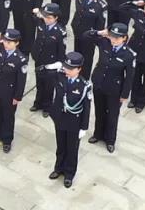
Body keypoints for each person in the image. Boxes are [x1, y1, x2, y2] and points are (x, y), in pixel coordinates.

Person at [83, 23, 135, 153]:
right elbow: (85, 36)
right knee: (99, 111)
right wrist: (100, 32)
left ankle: (110, 140)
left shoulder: (129, 55)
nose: (114, 40)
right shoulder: (104, 43)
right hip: (99, 83)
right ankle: (98, 134)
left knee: (112, 115)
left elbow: (129, 77)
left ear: (124, 38)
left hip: (114, 89)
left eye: (117, 38)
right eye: (112, 36)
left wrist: (124, 94)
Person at [48, 52, 92, 188]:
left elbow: (87, 108)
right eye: (66, 67)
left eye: (71, 68)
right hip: (60, 118)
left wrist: (84, 127)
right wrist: (49, 67)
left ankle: (69, 174)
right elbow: (40, 74)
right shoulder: (60, 76)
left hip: (74, 122)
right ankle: (58, 168)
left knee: (72, 149)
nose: (67, 70)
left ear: (79, 69)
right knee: (60, 146)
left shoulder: (84, 86)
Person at [0, 28, 27, 154]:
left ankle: (7, 140)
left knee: (8, 117)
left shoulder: (21, 60)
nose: (6, 44)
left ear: (17, 43)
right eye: (5, 41)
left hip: (9, 93)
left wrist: (17, 97)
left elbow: (21, 81)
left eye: (10, 42)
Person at [29, 3, 67, 116]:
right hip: (39, 58)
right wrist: (36, 12)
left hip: (51, 62)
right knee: (39, 82)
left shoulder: (60, 32)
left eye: (49, 17)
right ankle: (38, 103)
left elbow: (61, 50)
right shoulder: (41, 23)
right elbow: (33, 16)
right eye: (45, 16)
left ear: (56, 18)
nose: (46, 19)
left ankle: (47, 106)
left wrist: (59, 64)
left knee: (49, 85)